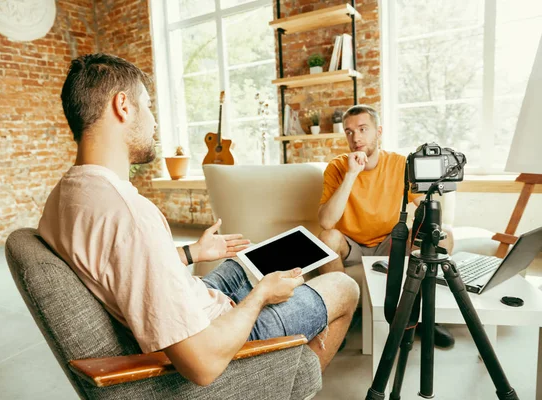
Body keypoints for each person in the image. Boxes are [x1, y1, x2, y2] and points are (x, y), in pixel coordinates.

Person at [38, 53, 360, 387]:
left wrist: (192, 253)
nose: (154, 121)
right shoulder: (130, 215)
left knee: (255, 257)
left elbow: (116, 263)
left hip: (193, 298)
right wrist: (261, 296)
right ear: (123, 106)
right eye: (147, 106)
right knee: (344, 287)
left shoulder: (66, 194)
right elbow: (202, 364)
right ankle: (286, 385)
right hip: (212, 335)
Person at [317, 105, 455, 348]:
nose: (356, 138)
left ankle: (425, 319)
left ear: (378, 131)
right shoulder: (337, 167)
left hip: (391, 243)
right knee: (326, 237)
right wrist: (351, 175)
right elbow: (327, 221)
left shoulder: (400, 164)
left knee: (444, 237)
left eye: (362, 129)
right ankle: (338, 320)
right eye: (349, 132)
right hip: (352, 247)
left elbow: (426, 206)